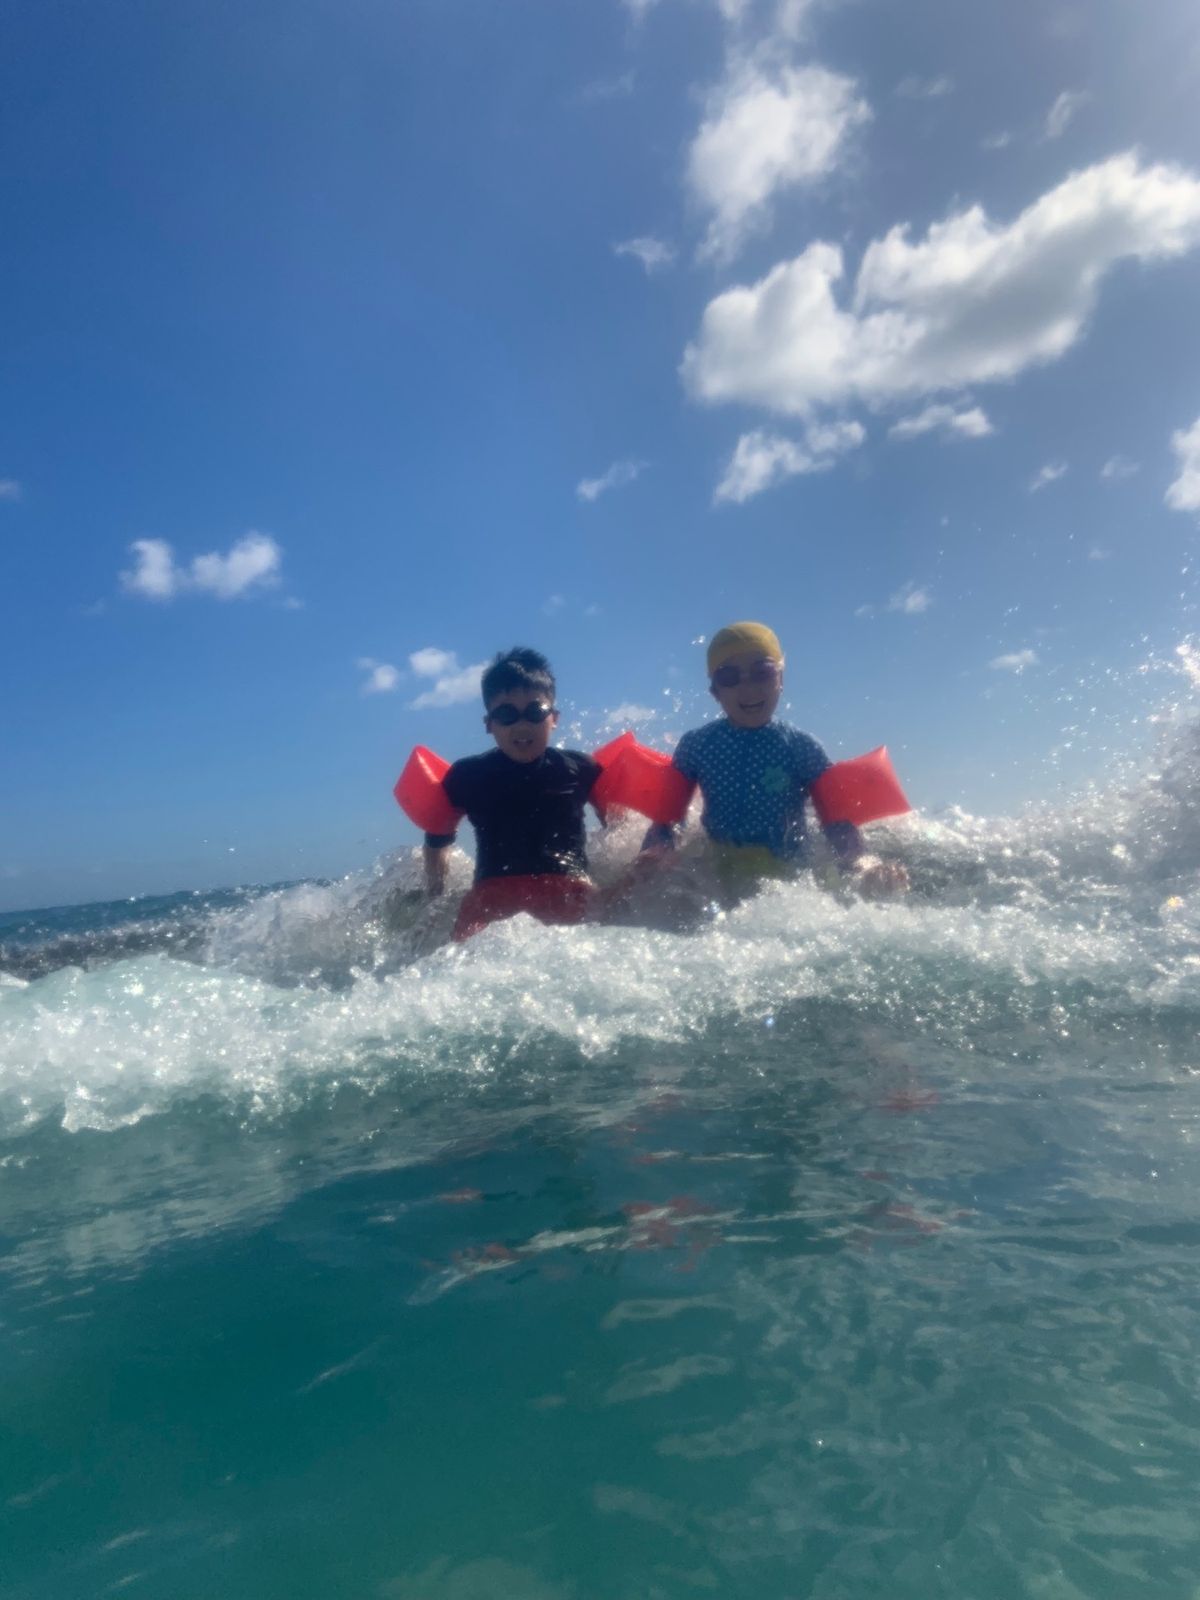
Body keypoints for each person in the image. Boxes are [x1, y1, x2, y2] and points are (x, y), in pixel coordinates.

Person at [639, 621, 908, 901]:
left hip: (787, 878)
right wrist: (653, 856)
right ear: (715, 692)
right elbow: (666, 822)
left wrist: (865, 867)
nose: (748, 687)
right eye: (729, 676)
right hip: (718, 871)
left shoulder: (801, 747)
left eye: (762, 672)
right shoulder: (697, 745)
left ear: (781, 679)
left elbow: (838, 826)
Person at [422, 647, 605, 939]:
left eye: (535, 712)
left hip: (570, 893)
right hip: (491, 901)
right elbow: (436, 842)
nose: (522, 724)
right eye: (507, 714)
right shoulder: (466, 776)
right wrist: (434, 895)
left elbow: (619, 827)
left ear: (554, 718)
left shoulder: (582, 768)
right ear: (489, 724)